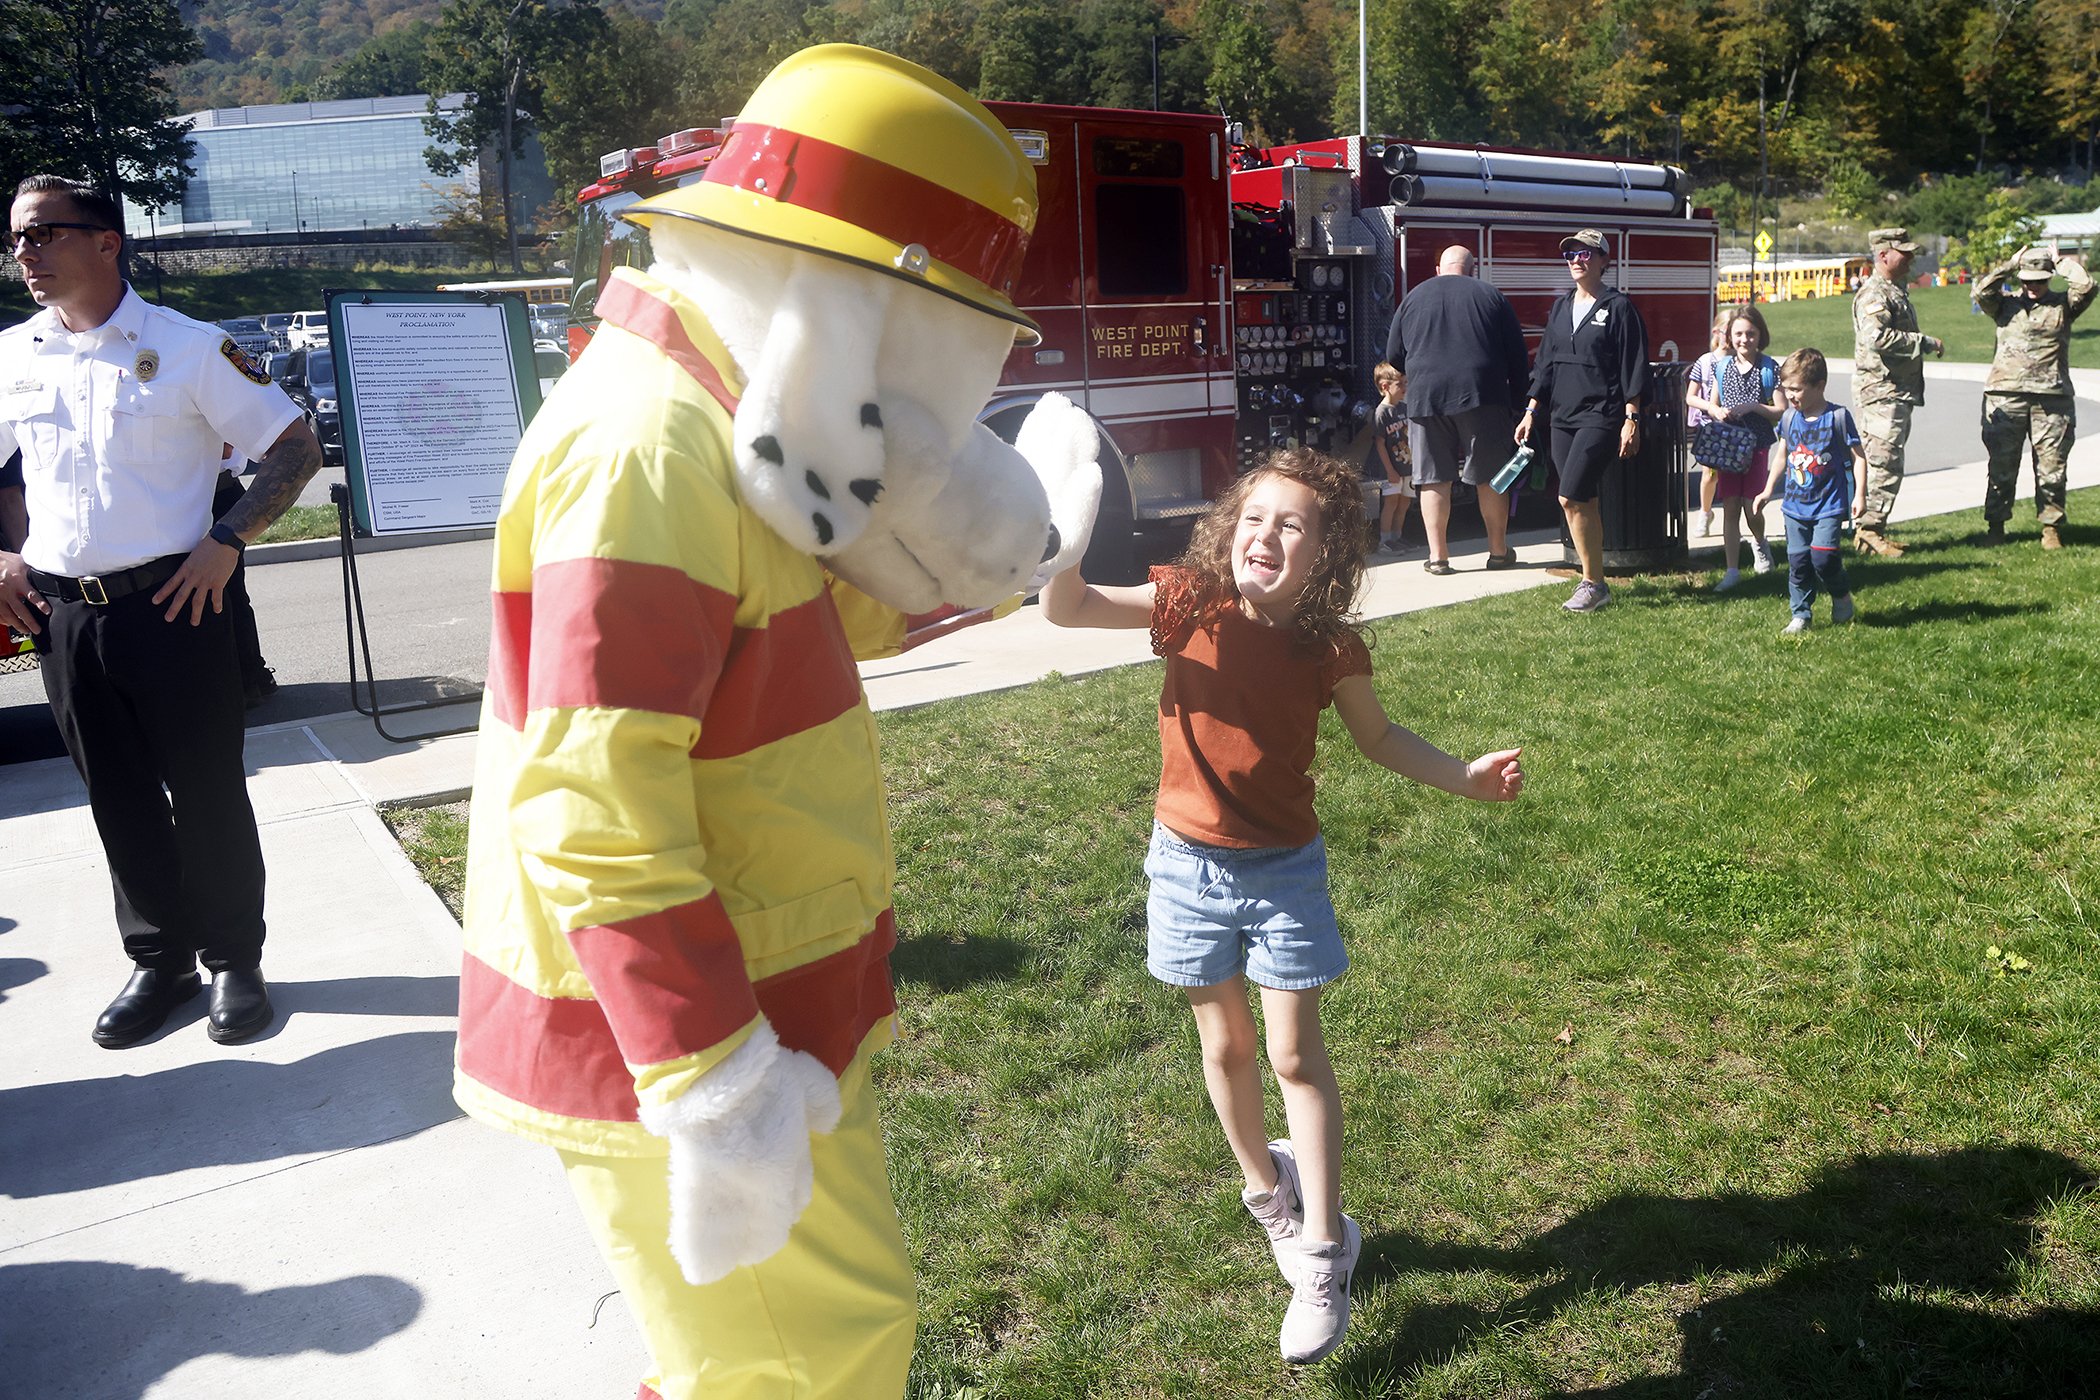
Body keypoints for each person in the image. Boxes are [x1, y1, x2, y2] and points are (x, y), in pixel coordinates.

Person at [1039, 448, 1523, 1364]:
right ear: (1231, 527)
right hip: (1183, 867)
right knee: (1222, 1047)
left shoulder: (1329, 645)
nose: (1267, 534)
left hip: (1282, 875)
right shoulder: (1189, 601)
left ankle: (1324, 1250)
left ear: (1325, 552)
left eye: (1292, 524)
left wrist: (1463, 779)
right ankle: (1272, 1198)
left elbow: (1377, 738)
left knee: (1295, 1054)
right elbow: (1068, 607)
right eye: (1255, 516)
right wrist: (1063, 538)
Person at [0, 174, 321, 1047]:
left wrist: (227, 540)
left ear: (106, 242)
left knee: (209, 788)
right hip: (64, 615)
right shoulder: (16, 354)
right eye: (17, 239)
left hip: (174, 604)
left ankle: (234, 960)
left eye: (43, 234)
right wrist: (2, 553)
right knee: (117, 794)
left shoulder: (188, 348)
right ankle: (159, 960)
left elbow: (294, 445)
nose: (24, 252)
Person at [1515, 229, 1649, 613]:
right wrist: (1530, 411)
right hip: (1562, 416)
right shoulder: (1560, 308)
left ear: (1605, 260)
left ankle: (1593, 583)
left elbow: (1632, 365)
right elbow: (1546, 365)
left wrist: (1632, 417)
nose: (1576, 259)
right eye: (1570, 254)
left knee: (1568, 495)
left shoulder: (1619, 307)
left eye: (1586, 254)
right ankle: (1597, 581)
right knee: (1583, 500)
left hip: (1602, 414)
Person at [1386, 244, 1528, 573]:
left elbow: (1394, 355)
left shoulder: (1413, 298)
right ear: (1471, 269)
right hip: (1483, 395)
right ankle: (1497, 553)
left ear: (1439, 269)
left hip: (1426, 398)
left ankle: (1438, 558)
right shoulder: (1491, 296)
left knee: (1434, 479)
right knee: (1491, 478)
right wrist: (1518, 405)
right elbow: (1518, 357)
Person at [1973, 243, 2094, 549]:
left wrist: (2060, 262)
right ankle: (1996, 526)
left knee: (2052, 467)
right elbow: (1980, 292)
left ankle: (2051, 527)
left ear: (2049, 277)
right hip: (2005, 395)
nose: (2033, 286)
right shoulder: (2004, 304)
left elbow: (2088, 286)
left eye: (2039, 279)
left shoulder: (2064, 304)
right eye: (2027, 280)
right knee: (2001, 466)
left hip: (2052, 398)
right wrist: (2010, 265)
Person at [1753, 348, 1864, 634]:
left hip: (1829, 503)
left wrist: (1860, 494)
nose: (1790, 395)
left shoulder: (1838, 417)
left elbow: (1859, 457)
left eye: (1796, 389)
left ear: (1819, 386)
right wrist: (1767, 490)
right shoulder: (1790, 418)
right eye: (1786, 388)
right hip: (1795, 506)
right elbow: (1782, 456)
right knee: (1798, 561)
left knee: (1824, 557)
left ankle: (1841, 594)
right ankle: (1801, 614)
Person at [1851, 227, 1944, 557]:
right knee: (1883, 462)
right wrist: (1924, 343)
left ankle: (1874, 530)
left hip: (1894, 391)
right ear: (1883, 255)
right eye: (1904, 252)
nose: (1911, 258)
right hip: (1881, 391)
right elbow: (1875, 339)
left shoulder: (1894, 290)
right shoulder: (1875, 293)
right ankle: (1868, 532)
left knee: (1888, 461)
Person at [1683, 304, 1782, 591]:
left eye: (1750, 334)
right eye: (1738, 334)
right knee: (1729, 508)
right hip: (1727, 446)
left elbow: (1780, 409)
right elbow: (1711, 400)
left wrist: (1754, 407)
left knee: (1752, 507)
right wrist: (1715, 411)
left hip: (1757, 446)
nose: (1744, 339)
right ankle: (1732, 570)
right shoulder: (1721, 366)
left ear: (1760, 335)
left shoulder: (1769, 368)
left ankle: (1761, 545)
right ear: (1729, 335)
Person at [212, 447, 277, 705]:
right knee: (230, 594)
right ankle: (252, 675)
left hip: (217, 494)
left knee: (226, 595)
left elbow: (225, 448)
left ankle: (247, 680)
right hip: (213, 494)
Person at [1689, 305, 1734, 538]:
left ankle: (1731, 520)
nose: (1733, 336)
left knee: (1732, 476)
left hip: (1736, 426)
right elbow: (1690, 396)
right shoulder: (1705, 362)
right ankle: (1705, 513)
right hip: (1710, 427)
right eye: (1728, 331)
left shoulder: (1741, 361)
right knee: (1711, 474)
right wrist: (1711, 408)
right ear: (1716, 333)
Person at [1369, 362, 1416, 554]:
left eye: (1406, 383)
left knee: (1405, 502)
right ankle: (1384, 541)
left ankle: (1397, 537)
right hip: (1391, 469)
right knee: (1392, 502)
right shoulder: (1382, 413)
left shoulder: (1404, 408)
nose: (1405, 389)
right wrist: (1389, 470)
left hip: (1408, 466)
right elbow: (1380, 443)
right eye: (1400, 385)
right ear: (1385, 387)